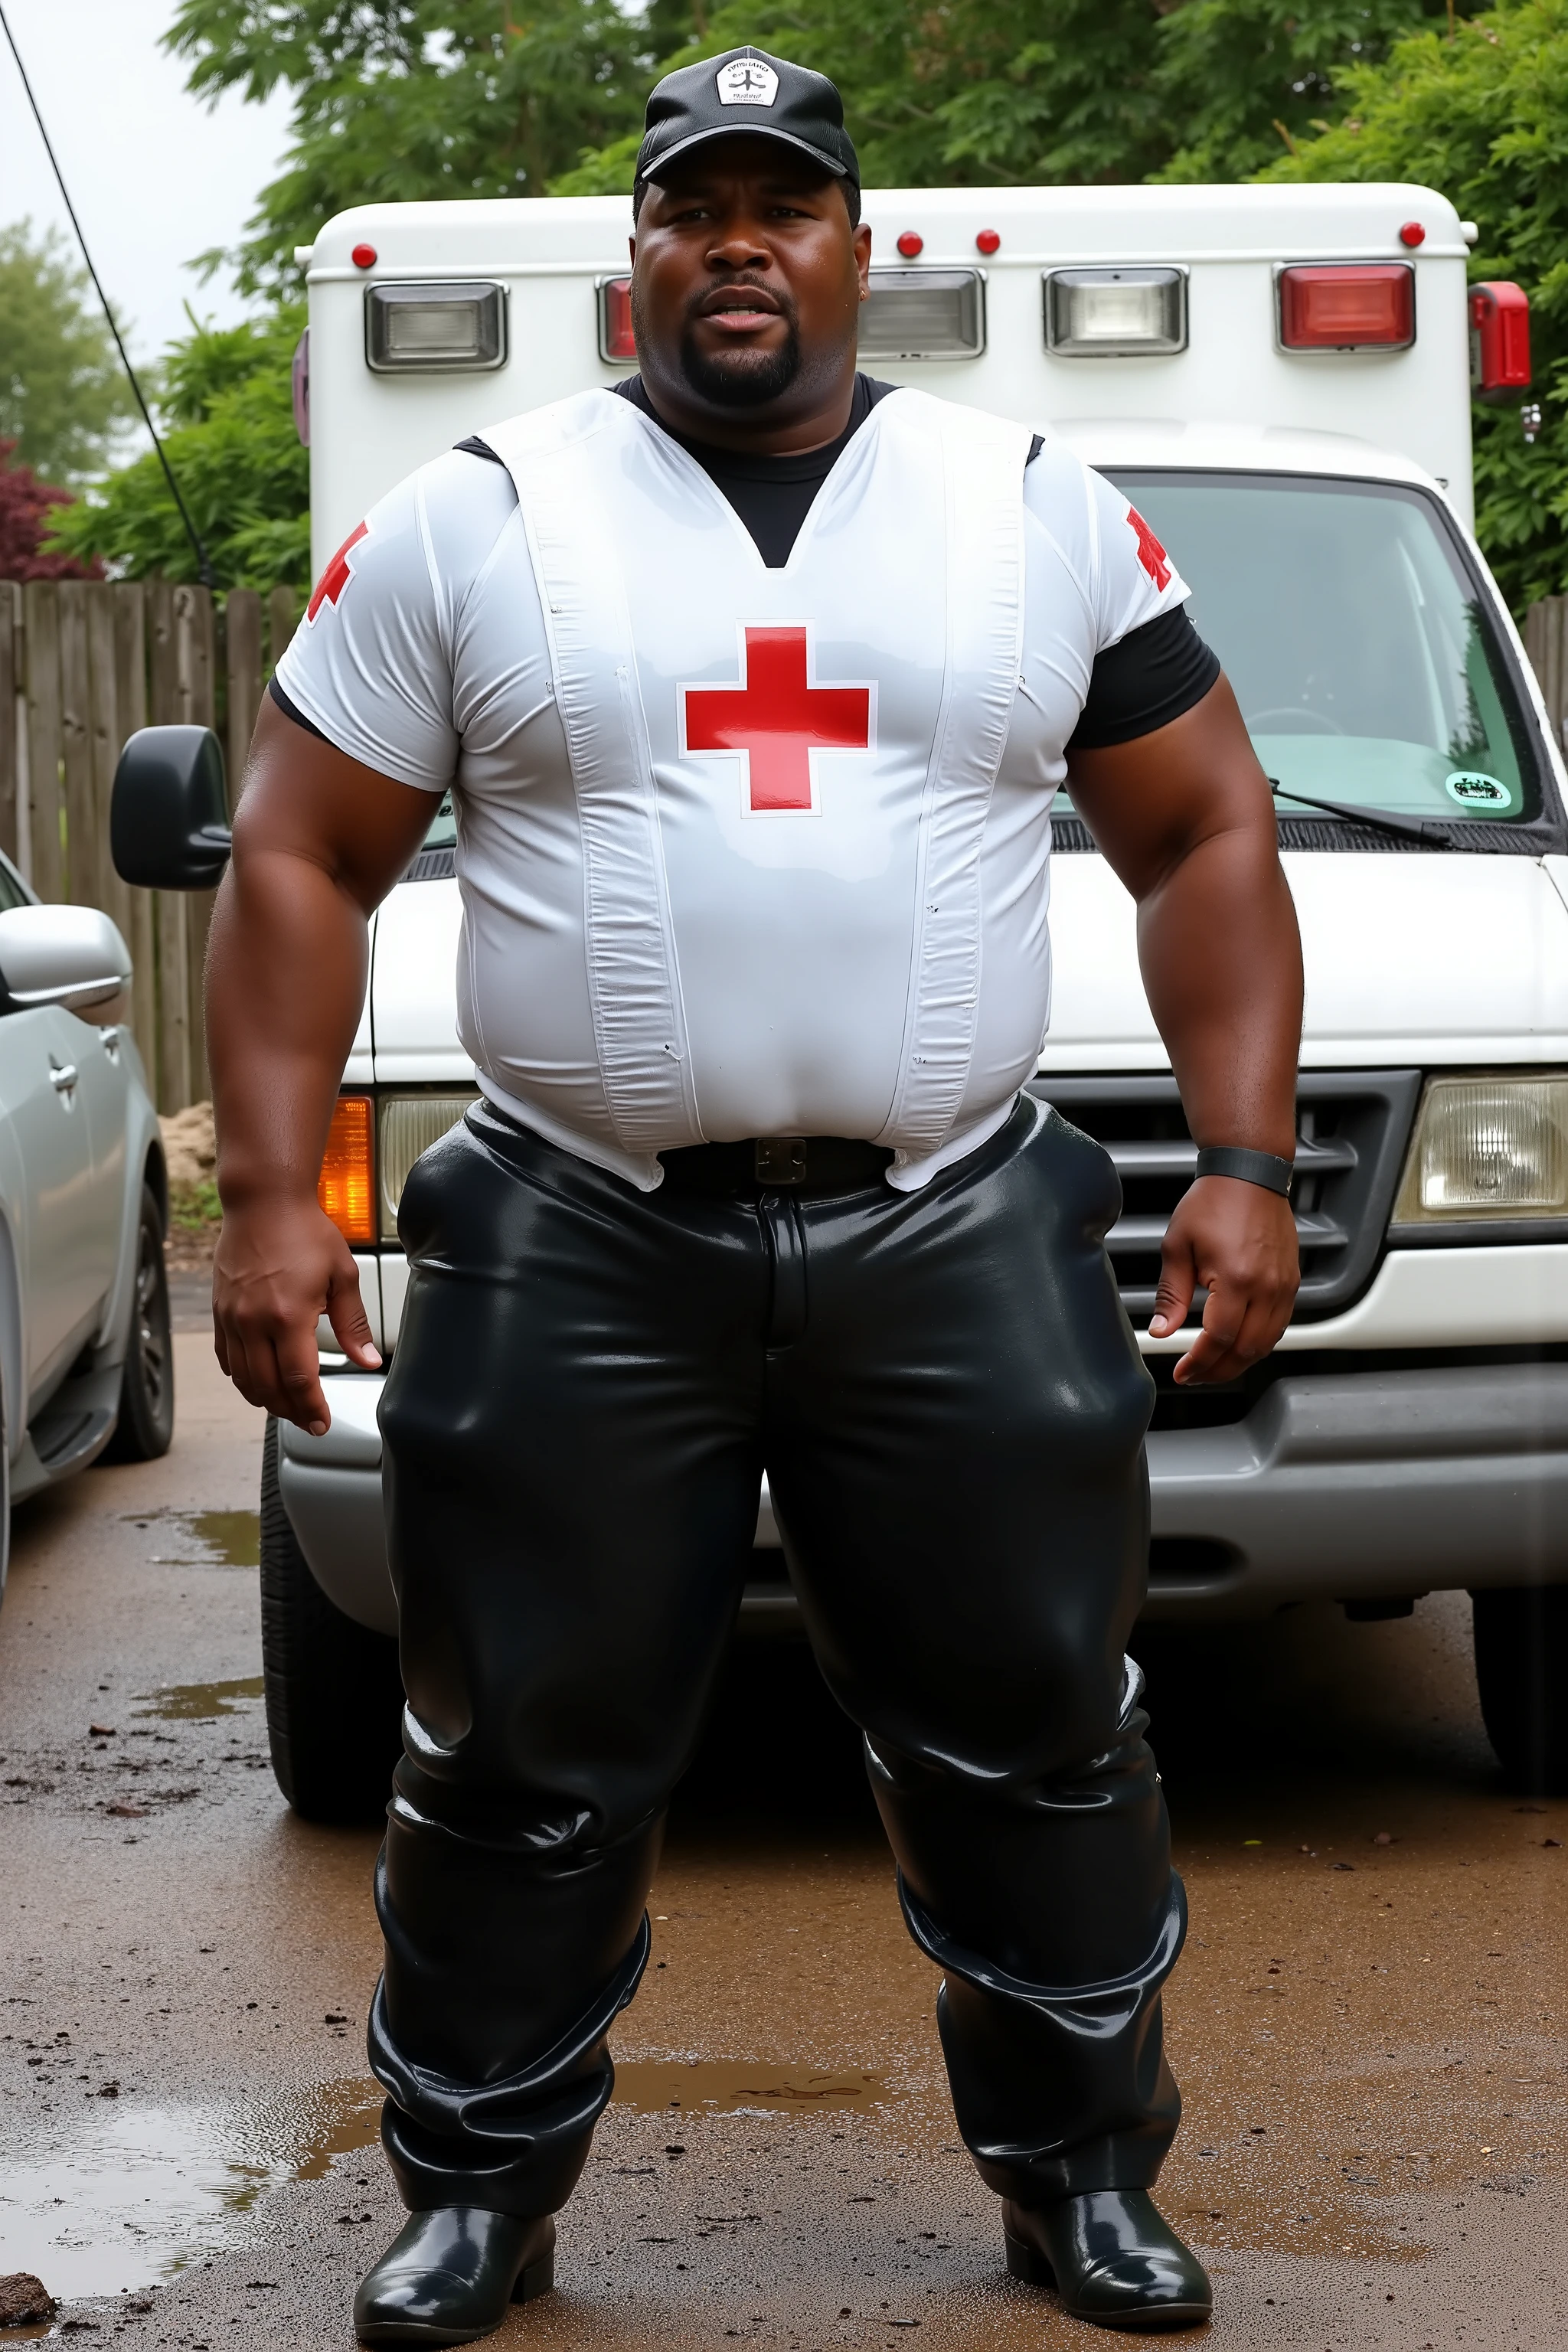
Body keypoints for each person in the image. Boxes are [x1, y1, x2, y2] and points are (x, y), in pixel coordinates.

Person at [207, 46, 1303, 2346]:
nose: (737, 246)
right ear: (634, 254)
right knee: (515, 1746)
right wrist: (274, 1199)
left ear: (854, 246)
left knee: (1039, 1728)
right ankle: (477, 2192)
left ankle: (1083, 2182)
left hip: (954, 1222)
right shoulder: (477, 516)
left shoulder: (1030, 506)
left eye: (781, 206)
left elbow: (1204, 826)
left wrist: (1238, 1161)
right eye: (690, 207)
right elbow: (300, 854)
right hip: (579, 1229)